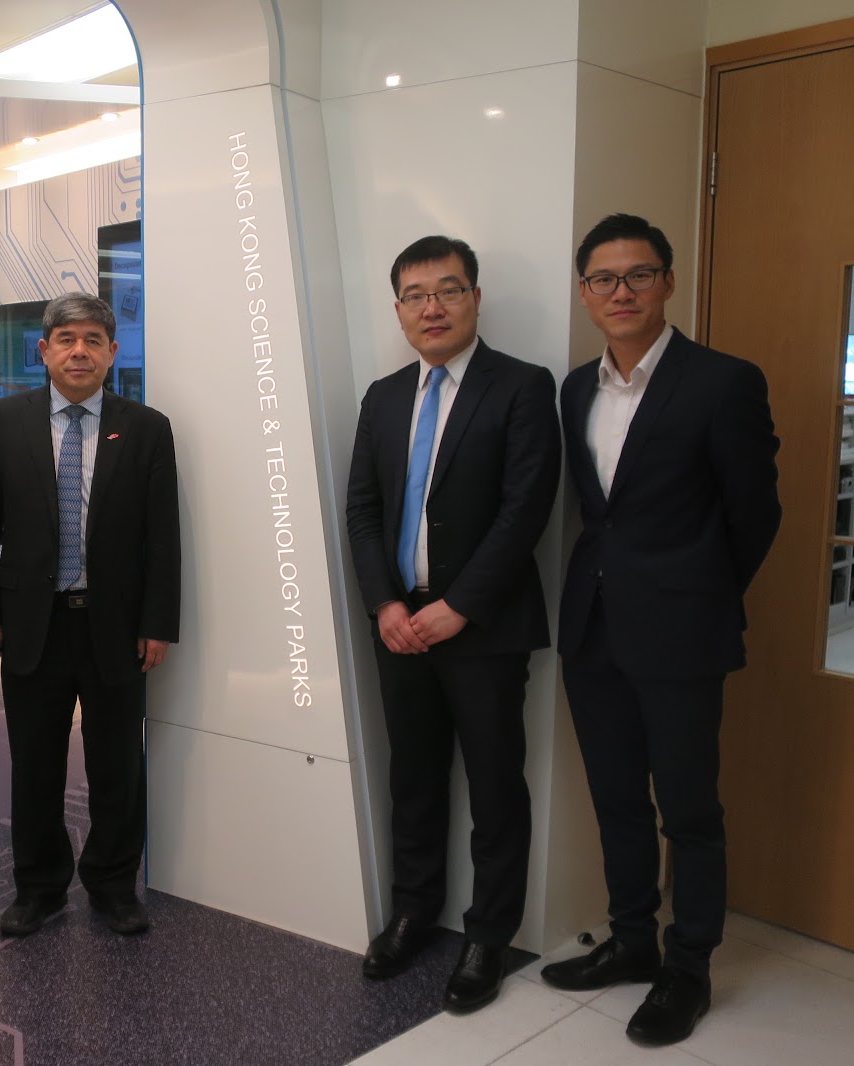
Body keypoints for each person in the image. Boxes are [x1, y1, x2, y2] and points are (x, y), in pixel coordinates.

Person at [540, 214, 780, 1047]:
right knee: (615, 801)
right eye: (603, 279)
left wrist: (698, 592)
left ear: (668, 283)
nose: (621, 292)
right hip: (594, 627)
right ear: (584, 293)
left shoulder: (723, 382)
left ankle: (689, 967)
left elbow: (756, 515)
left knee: (688, 809)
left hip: (682, 633)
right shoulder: (576, 388)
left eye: (638, 274)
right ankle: (633, 940)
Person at [345, 236, 561, 1012]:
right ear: (398, 308)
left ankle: (488, 936)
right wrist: (386, 604)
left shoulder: (523, 386)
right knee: (413, 775)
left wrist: (460, 605)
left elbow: (525, 509)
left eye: (448, 290)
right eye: (415, 295)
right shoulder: (383, 396)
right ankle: (414, 912)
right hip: (400, 625)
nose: (431, 307)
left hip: (484, 626)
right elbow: (363, 509)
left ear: (475, 297)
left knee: (496, 784)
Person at [0, 291, 180, 938]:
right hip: (33, 623)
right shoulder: (2, 422)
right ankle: (39, 887)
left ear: (112, 351)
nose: (79, 351)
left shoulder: (146, 428)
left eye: (92, 340)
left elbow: (162, 537)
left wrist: (158, 623)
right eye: (66, 339)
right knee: (34, 764)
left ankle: (113, 884)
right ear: (44, 350)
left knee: (117, 764)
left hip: (116, 625)